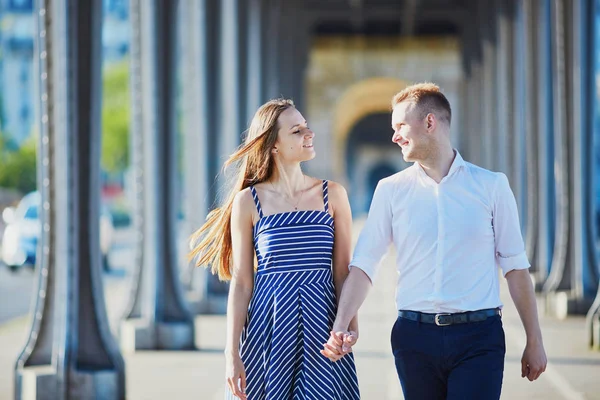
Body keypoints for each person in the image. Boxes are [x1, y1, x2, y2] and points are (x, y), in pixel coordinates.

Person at [321, 83, 547, 399]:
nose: (394, 136)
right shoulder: (390, 190)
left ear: (430, 123)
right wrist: (341, 324)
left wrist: (534, 340)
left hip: (478, 338)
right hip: (413, 339)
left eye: (400, 125)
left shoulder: (492, 186)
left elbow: (515, 267)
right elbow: (364, 265)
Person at [190, 99, 360, 400]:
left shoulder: (333, 195)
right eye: (297, 130)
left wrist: (347, 327)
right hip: (268, 327)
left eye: (307, 127)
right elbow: (242, 282)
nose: (309, 134)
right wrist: (232, 354)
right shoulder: (248, 202)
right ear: (273, 145)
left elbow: (343, 273)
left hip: (323, 326)